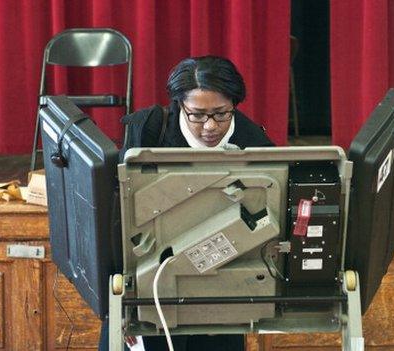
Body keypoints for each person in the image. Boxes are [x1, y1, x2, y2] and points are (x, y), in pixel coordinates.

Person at [99, 55, 274, 351]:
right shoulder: (148, 131)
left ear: (235, 104)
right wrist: (118, 305)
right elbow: (114, 220)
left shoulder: (253, 141)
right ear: (181, 105)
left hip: (219, 285)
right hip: (149, 284)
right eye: (197, 114)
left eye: (221, 114)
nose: (210, 126)